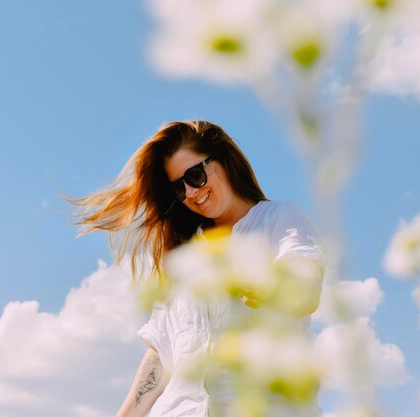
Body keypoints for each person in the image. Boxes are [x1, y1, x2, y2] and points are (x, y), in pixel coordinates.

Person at [70, 120, 324, 417]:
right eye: (179, 188)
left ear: (223, 160)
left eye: (195, 175)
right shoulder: (185, 259)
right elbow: (161, 354)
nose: (191, 192)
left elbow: (306, 283)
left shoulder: (279, 219)